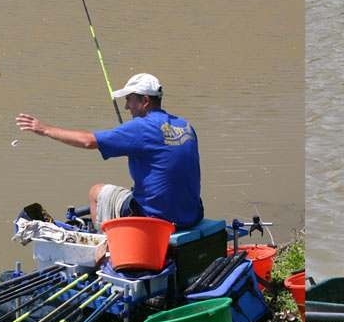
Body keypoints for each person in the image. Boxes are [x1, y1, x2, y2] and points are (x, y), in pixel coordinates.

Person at [16, 73, 203, 230]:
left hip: (159, 219)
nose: (126, 107)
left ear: (145, 101)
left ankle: (104, 249)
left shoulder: (141, 128)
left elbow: (88, 141)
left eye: (129, 100)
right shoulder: (185, 125)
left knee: (96, 192)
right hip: (192, 215)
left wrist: (45, 129)